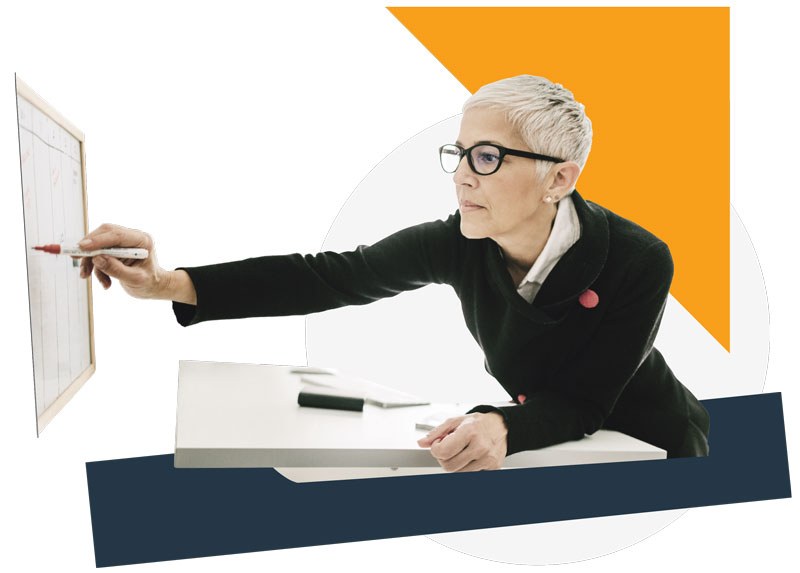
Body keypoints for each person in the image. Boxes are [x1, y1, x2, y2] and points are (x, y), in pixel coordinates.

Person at [78, 75, 710, 472]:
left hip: (650, 441)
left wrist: (505, 426)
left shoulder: (640, 257)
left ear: (561, 178)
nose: (462, 174)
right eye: (460, 153)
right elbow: (328, 277)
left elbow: (583, 402)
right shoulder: (460, 240)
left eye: (487, 157)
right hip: (548, 444)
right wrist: (168, 282)